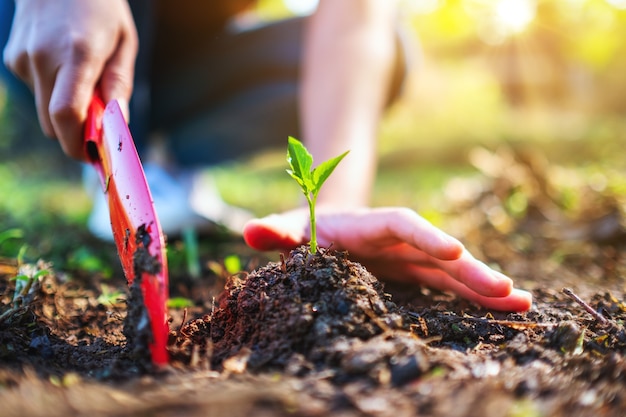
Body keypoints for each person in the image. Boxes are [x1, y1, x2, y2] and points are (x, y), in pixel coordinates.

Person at [0, 0, 532, 312]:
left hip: (191, 69)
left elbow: (355, 21)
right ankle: (112, 155)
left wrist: (337, 206)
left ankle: (160, 163)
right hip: (52, 26)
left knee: (394, 49)